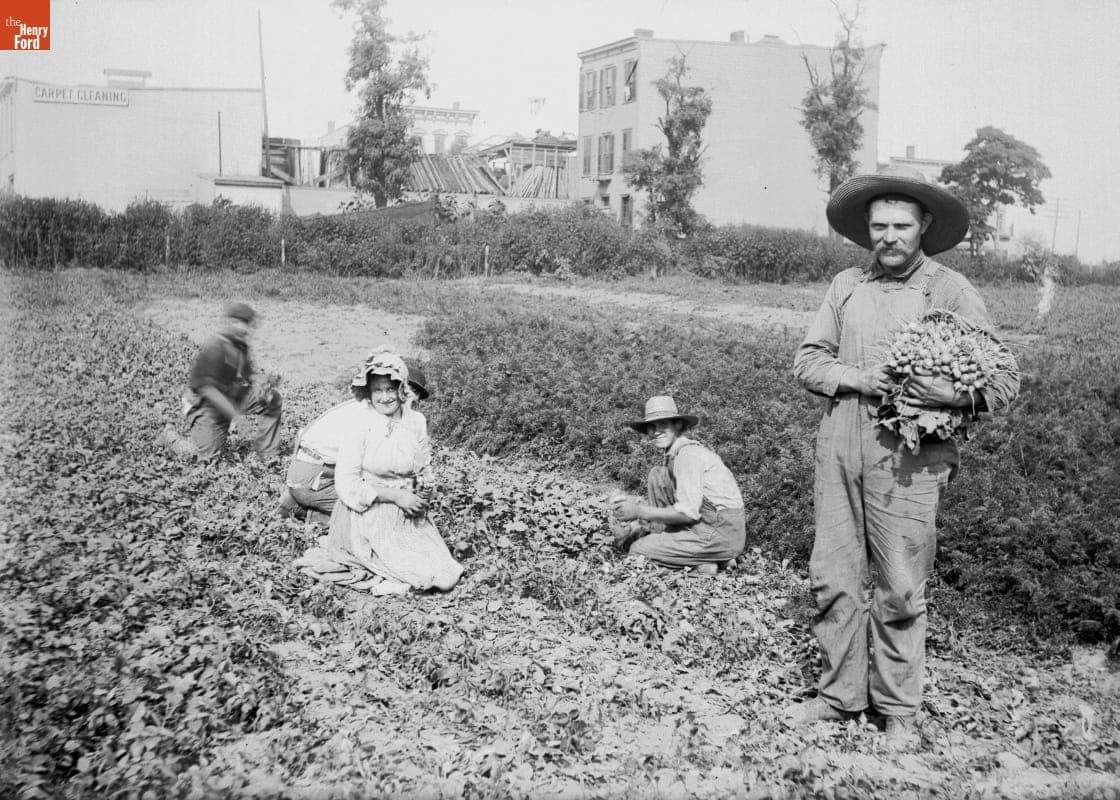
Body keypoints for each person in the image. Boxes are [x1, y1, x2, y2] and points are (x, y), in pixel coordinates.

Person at [790, 165, 1020, 748]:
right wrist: (859, 378)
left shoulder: (948, 290)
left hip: (910, 458)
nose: (888, 237)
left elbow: (1005, 378)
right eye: (878, 226)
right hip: (840, 443)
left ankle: (898, 708)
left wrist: (954, 394)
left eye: (900, 225)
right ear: (866, 231)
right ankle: (839, 695)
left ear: (924, 228)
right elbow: (809, 361)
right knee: (834, 575)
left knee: (898, 582)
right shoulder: (845, 286)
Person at [293, 350, 461, 595]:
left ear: (402, 389)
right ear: (369, 393)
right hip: (370, 510)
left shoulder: (416, 422)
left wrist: (423, 492)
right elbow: (347, 482)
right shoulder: (361, 424)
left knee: (445, 575)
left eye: (390, 389)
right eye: (377, 390)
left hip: (408, 511)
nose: (384, 397)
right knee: (418, 575)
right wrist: (395, 497)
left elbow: (424, 467)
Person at [277, 358, 433, 524]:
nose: (414, 401)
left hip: (308, 467)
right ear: (402, 388)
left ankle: (302, 496)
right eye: (412, 393)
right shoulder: (373, 413)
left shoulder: (374, 403)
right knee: (378, 514)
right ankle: (301, 509)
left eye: (417, 398)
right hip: (315, 475)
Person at [609, 395, 746, 573]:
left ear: (678, 425)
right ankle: (699, 558)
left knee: (638, 550)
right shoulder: (677, 454)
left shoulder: (688, 456)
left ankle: (707, 561)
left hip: (719, 534)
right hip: (708, 526)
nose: (656, 431)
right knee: (658, 475)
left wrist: (638, 511)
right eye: (651, 426)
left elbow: (688, 514)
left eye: (663, 424)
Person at [157, 301, 282, 460]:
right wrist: (236, 416)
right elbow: (207, 389)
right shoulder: (215, 347)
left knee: (272, 398)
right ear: (229, 323)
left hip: (228, 395)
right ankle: (169, 436)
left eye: (248, 324)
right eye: (241, 323)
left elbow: (247, 374)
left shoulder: (239, 344)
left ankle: (267, 453)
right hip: (205, 405)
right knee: (204, 458)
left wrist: (266, 380)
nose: (246, 329)